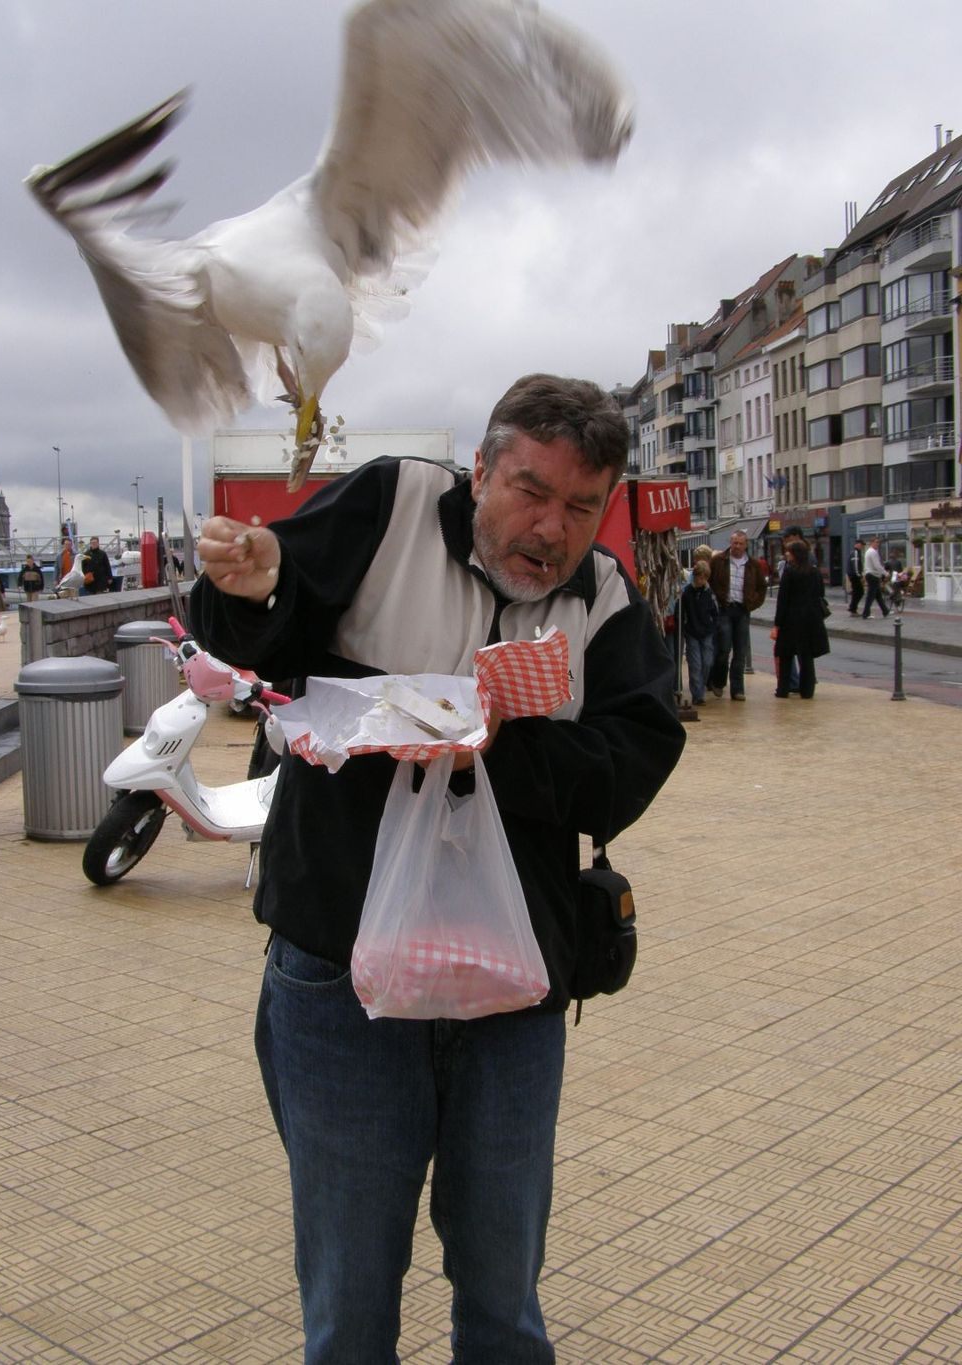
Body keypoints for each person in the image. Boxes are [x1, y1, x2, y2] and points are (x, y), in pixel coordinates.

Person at [191, 373, 686, 1363]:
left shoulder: (606, 599)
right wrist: (249, 584)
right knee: (349, 1291)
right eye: (529, 489)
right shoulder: (391, 505)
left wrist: (494, 736)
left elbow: (631, 766)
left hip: (511, 986)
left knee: (503, 1294)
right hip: (340, 973)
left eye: (580, 506)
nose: (550, 526)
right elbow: (264, 629)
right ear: (481, 469)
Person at [707, 529, 768, 701]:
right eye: (735, 543)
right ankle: (718, 681)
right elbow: (709, 580)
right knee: (723, 649)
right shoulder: (719, 560)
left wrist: (752, 603)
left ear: (746, 545)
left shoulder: (753, 565)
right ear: (730, 543)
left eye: (741, 543)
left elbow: (762, 588)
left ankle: (738, 689)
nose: (737, 547)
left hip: (742, 610)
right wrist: (715, 601)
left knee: (740, 651)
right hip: (724, 608)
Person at [770, 540, 830, 699]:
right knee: (807, 656)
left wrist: (777, 623)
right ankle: (807, 690)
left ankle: (783, 689)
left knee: (785, 655)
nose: (786, 554)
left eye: (789, 552)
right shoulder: (815, 572)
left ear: (796, 554)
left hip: (791, 619)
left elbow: (782, 600)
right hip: (811, 619)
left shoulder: (790, 572)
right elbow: (820, 594)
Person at [680, 560, 719, 706]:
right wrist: (685, 626)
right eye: (699, 577)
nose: (701, 581)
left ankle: (701, 686)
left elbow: (715, 612)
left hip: (707, 632)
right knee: (695, 664)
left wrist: (713, 626)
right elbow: (683, 611)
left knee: (707, 662)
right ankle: (697, 694)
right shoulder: (687, 593)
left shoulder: (709, 593)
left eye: (704, 578)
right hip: (692, 632)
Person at [861, 534, 889, 619]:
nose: (878, 544)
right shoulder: (872, 552)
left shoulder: (869, 551)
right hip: (873, 575)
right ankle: (865, 613)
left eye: (878, 542)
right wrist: (885, 573)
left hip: (871, 575)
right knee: (871, 595)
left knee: (878, 595)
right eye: (876, 542)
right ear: (871, 543)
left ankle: (885, 611)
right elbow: (877, 565)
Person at [847, 538, 865, 615]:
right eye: (861, 545)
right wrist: (859, 576)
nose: (862, 547)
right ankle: (852, 608)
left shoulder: (855, 553)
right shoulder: (855, 553)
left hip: (853, 575)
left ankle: (852, 608)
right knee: (860, 592)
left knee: (856, 592)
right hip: (855, 576)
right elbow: (856, 566)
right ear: (857, 544)